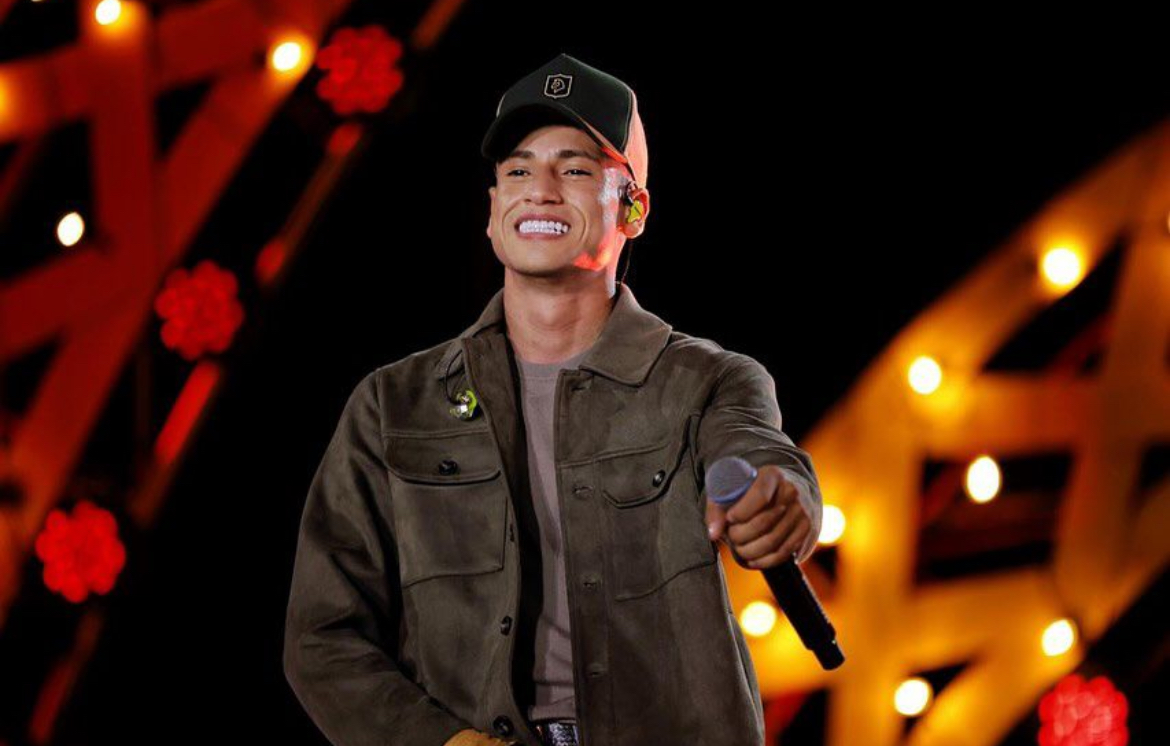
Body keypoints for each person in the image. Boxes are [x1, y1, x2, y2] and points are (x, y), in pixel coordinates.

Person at [283, 53, 824, 746]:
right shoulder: (393, 406)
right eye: (517, 171)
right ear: (492, 211)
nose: (538, 191)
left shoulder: (708, 381)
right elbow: (321, 636)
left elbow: (762, 455)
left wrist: (781, 502)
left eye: (574, 170)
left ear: (633, 209)